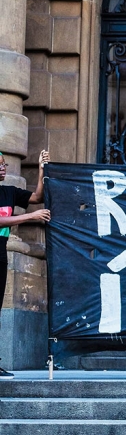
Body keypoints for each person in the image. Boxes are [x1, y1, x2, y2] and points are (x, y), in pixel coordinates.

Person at [0, 150, 51, 379]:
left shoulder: (9, 192)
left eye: (4, 165)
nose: (4, 168)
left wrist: (41, 169)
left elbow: (37, 197)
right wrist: (30, 217)